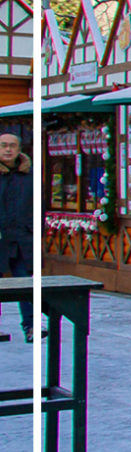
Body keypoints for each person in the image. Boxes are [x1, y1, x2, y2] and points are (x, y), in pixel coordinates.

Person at [0, 130, 33, 342]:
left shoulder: (28, 176)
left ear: (20, 149)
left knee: (25, 284)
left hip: (22, 240)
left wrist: (33, 231)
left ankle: (30, 327)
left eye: (13, 145)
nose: (8, 149)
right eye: (4, 145)